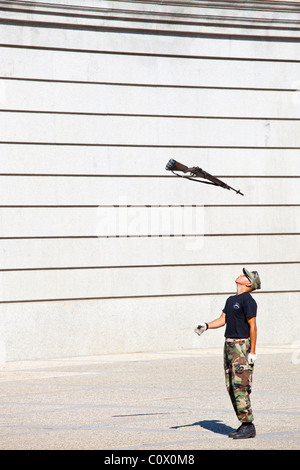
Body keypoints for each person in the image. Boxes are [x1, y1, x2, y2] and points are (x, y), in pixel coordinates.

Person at [195, 268, 261, 439]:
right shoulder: (231, 300)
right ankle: (243, 423)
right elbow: (222, 319)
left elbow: (253, 326)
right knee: (231, 386)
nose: (240, 275)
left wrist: (252, 350)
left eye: (245, 275)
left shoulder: (249, 301)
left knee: (241, 386)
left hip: (241, 346)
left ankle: (248, 425)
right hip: (229, 345)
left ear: (249, 283)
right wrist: (206, 325)